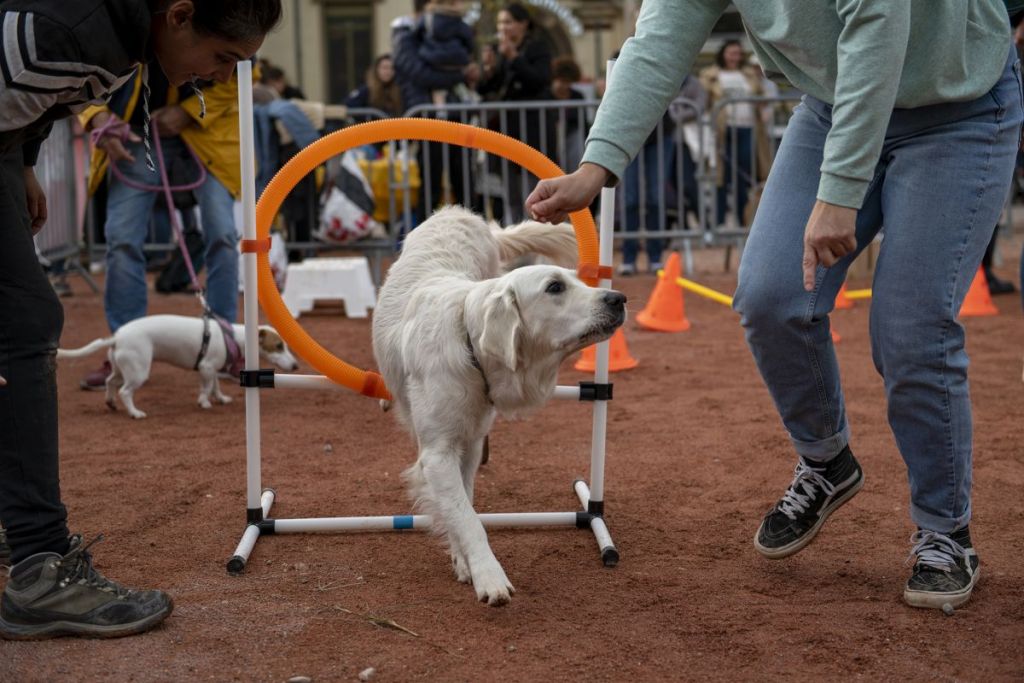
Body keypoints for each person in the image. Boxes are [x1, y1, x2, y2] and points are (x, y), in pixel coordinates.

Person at [527, 1, 1020, 610]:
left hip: (956, 107)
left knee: (911, 328)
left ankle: (946, 531)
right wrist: (596, 165)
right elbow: (657, 44)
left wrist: (840, 191)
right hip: (833, 107)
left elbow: (879, 27)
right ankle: (826, 463)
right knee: (768, 296)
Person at [0, 0, 281, 639]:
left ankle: (21, 525)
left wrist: (19, 164)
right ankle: (40, 567)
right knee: (24, 320)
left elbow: (39, 103)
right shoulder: (72, 34)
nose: (216, 77)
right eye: (221, 59)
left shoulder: (121, 38)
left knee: (21, 319)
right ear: (180, 16)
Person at [77, 66, 248, 390]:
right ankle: (124, 351)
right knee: (122, 239)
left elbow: (243, 74)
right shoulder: (113, 19)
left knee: (224, 236)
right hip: (135, 133)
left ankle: (227, 348)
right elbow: (80, 71)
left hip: (208, 132)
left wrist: (186, 112)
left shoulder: (223, 22)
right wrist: (97, 118)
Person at [392, 0, 478, 216]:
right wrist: (460, 75)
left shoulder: (439, 35)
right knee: (430, 185)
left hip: (454, 115)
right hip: (429, 119)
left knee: (464, 182)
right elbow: (420, 74)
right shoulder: (407, 37)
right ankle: (425, 237)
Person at [478, 2, 554, 222]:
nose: (503, 27)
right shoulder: (501, 52)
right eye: (500, 22)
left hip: (532, 129)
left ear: (523, 24)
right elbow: (489, 89)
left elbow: (539, 80)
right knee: (510, 191)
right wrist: (489, 70)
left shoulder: (537, 48)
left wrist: (514, 58)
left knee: (532, 190)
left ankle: (537, 237)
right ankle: (518, 240)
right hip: (508, 129)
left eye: (508, 22)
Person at [699, 39, 772, 228]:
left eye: (738, 53)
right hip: (723, 131)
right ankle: (720, 221)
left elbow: (762, 97)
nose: (735, 57)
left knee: (744, 177)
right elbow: (703, 102)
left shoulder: (748, 75)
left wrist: (762, 108)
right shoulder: (710, 75)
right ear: (723, 53)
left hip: (747, 129)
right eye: (731, 53)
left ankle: (743, 221)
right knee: (721, 177)